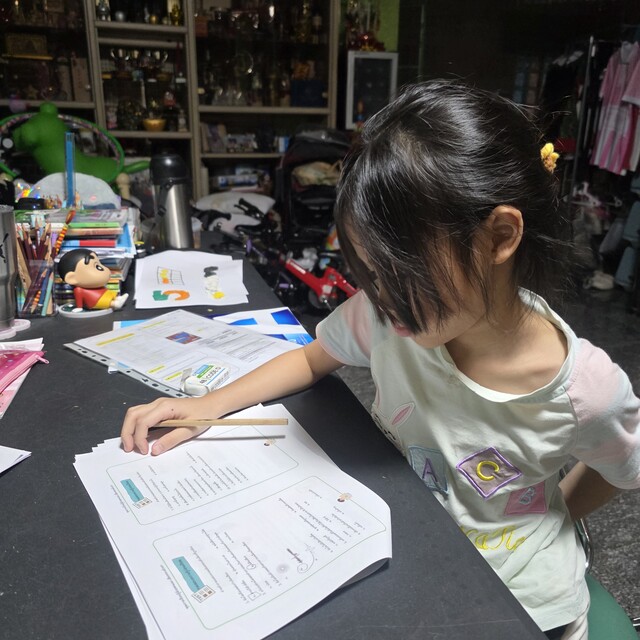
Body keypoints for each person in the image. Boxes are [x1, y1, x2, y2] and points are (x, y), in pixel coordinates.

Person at [121, 79, 640, 639]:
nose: (380, 297)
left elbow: (622, 467)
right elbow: (313, 358)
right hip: (413, 551)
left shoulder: (585, 389)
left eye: (400, 272)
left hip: (525, 606)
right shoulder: (392, 317)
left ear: (498, 237)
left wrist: (552, 516)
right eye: (370, 274)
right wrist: (211, 405)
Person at [57, 248, 129, 312]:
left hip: (102, 294)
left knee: (109, 293)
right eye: (97, 267)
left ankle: (118, 298)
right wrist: (79, 307)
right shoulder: (78, 290)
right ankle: (115, 304)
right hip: (95, 301)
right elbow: (79, 300)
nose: (106, 269)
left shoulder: (99, 286)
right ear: (72, 278)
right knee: (105, 301)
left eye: (100, 265)